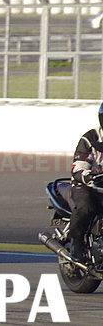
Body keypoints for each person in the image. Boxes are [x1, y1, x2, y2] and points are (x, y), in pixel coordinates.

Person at [68, 102, 103, 262]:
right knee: (86, 205)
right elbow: (78, 166)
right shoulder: (90, 138)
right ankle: (76, 243)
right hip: (87, 186)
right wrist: (88, 176)